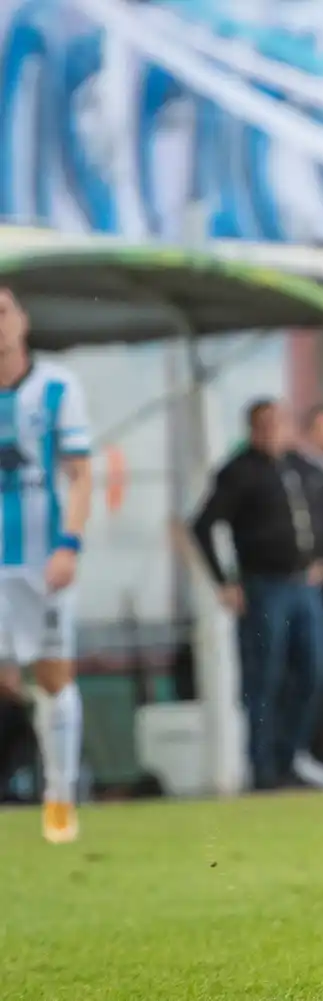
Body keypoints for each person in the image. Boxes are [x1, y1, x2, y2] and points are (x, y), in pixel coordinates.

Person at [191, 398, 323, 790]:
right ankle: (263, 767)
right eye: (267, 425)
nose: (275, 432)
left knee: (316, 670)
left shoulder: (300, 469)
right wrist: (225, 581)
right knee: (264, 676)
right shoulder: (239, 472)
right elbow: (203, 525)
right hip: (264, 586)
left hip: (305, 585)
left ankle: (291, 754)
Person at [0, 288, 92, 842]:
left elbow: (80, 474)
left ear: (23, 321)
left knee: (53, 677)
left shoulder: (58, 387)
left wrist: (69, 544)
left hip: (41, 560)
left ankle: (59, 796)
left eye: (2, 312)